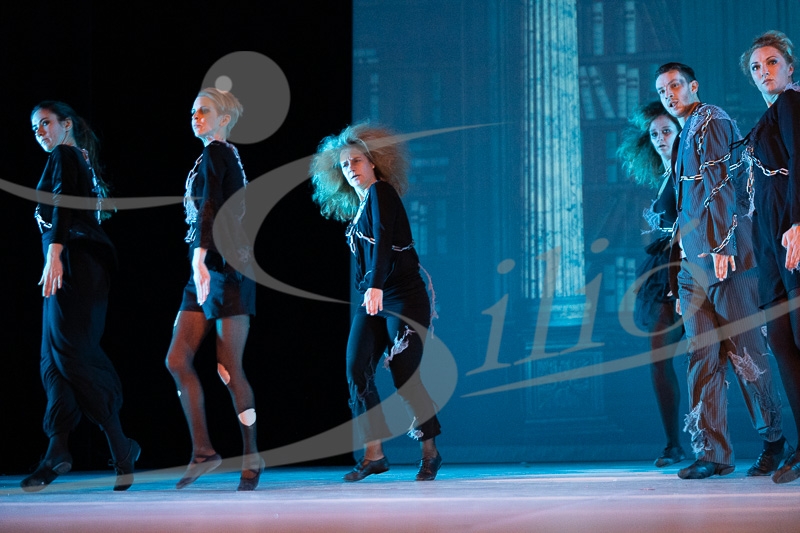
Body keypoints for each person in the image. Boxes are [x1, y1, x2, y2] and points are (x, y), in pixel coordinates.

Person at [654, 63, 788, 479]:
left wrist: (723, 244)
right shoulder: (684, 134)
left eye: (675, 85)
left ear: (693, 86)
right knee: (701, 355)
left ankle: (774, 440)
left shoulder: (711, 119)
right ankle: (713, 452)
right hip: (692, 263)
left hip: (724, 257)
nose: (669, 94)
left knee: (746, 351)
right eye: (662, 90)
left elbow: (722, 182)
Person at [309, 122, 443, 482]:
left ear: (373, 162)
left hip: (402, 295)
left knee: (404, 373)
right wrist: (372, 288)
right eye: (344, 165)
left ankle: (430, 451)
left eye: (356, 161)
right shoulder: (361, 205)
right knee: (356, 367)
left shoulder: (381, 191)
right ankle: (374, 454)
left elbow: (383, 239)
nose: (350, 169)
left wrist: (375, 285)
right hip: (375, 295)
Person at [23, 101, 140, 492]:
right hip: (65, 263)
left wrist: (55, 253)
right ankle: (57, 449)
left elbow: (64, 203)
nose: (40, 132)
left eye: (45, 123)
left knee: (72, 353)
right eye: (35, 128)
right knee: (52, 358)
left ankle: (121, 446)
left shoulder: (64, 154)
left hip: (74, 263)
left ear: (66, 124)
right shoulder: (75, 158)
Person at [164, 87, 262, 491]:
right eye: (193, 111)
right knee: (177, 359)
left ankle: (251, 454)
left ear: (223, 119)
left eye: (204, 111)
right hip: (204, 268)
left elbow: (212, 206)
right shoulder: (214, 155)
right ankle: (203, 451)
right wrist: (199, 259)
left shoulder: (218, 153)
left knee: (228, 368)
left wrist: (200, 256)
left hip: (225, 268)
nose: (196, 117)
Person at [739, 30, 800, 484]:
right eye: (756, 67)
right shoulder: (768, 116)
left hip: (789, 227)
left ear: (790, 67)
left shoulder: (793, 103)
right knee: (781, 341)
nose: (764, 71)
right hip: (768, 237)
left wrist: (799, 221)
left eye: (772, 62)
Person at [617, 101, 687, 468]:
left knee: (719, 357)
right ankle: (673, 444)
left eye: (667, 131)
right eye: (655, 133)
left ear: (681, 133)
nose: (660, 138)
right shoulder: (663, 175)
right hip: (662, 273)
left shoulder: (687, 169)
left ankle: (767, 438)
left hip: (688, 270)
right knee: (659, 359)